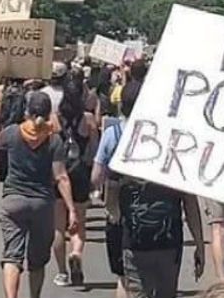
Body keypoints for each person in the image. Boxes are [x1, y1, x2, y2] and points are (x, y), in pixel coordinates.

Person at [0, 88, 78, 298]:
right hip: (42, 204)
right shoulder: (54, 141)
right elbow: (61, 177)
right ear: (48, 113)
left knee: (12, 257)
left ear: (26, 111)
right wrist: (71, 209)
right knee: (37, 261)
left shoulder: (12, 132)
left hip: (13, 200)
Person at [120, 158, 205, 297]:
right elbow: (190, 204)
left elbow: (105, 185)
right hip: (169, 241)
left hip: (135, 242)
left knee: (137, 292)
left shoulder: (127, 152)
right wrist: (199, 244)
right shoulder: (178, 157)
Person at [91, 76, 141, 298]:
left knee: (123, 275)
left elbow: (96, 175)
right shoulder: (153, 133)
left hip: (117, 210)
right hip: (150, 211)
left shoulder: (112, 133)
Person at [52, 75, 93, 287]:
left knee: (59, 226)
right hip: (80, 174)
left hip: (59, 172)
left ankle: (61, 273)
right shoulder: (88, 119)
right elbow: (92, 150)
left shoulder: (54, 117)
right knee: (79, 222)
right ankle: (76, 252)